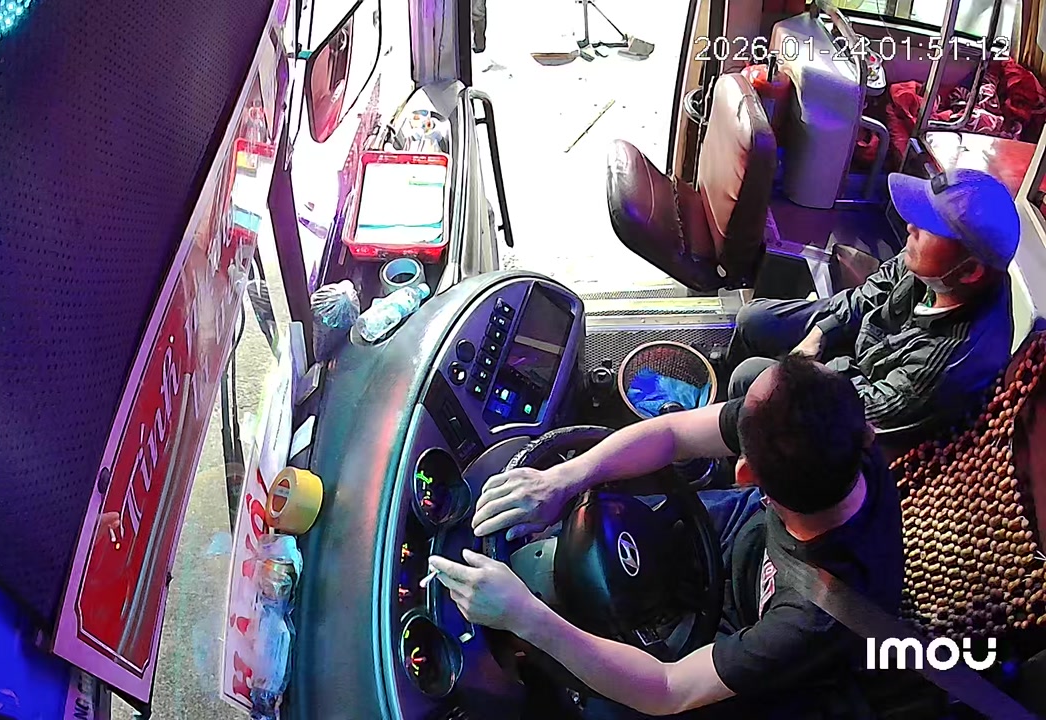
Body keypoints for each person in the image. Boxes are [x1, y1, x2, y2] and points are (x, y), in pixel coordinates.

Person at [428, 355, 903, 718]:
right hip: (748, 533)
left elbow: (667, 689)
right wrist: (563, 479)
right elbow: (674, 433)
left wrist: (522, 615)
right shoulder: (831, 434)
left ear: (745, 474)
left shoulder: (813, 618)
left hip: (757, 644)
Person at [727, 168, 1018, 431]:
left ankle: (743, 445)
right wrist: (821, 332)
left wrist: (812, 370)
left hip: (856, 402)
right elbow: (871, 292)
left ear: (970, 271)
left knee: (749, 377)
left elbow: (866, 411)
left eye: (929, 225)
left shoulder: (949, 361)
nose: (911, 226)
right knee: (753, 319)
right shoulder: (934, 268)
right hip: (863, 347)